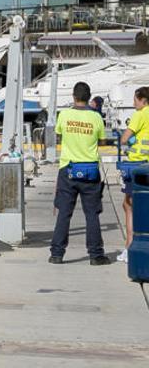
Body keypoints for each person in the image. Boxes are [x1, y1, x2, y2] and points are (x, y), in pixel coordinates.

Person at [50, 82, 110, 266]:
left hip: (68, 168)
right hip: (90, 170)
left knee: (64, 213)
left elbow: (59, 134)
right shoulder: (96, 117)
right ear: (89, 97)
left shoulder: (65, 115)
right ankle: (96, 255)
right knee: (92, 214)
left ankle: (57, 254)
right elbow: (102, 141)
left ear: (73, 96)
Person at [117, 87, 149, 263]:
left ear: (143, 100)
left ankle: (130, 247)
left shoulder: (140, 115)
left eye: (135, 100)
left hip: (137, 165)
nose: (133, 103)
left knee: (129, 205)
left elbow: (124, 138)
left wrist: (130, 139)